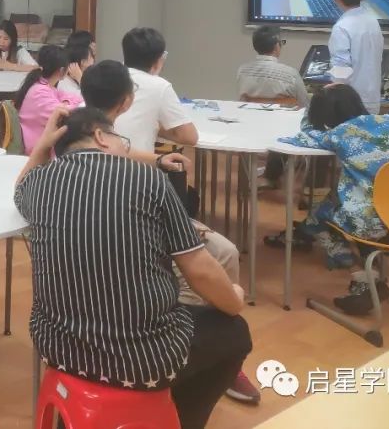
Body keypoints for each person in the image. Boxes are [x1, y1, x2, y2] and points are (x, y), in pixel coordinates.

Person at [15, 105, 251, 429]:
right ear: (101, 136)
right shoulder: (147, 179)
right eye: (122, 141)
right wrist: (234, 299)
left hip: (58, 349)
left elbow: (19, 187)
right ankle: (177, 420)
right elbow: (198, 267)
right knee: (235, 332)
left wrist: (43, 144)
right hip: (140, 360)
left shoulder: (39, 183)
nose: (126, 150)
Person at [81, 60, 257, 405]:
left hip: (74, 321)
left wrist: (158, 160)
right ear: (127, 100)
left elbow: (123, 152)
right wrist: (232, 299)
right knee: (217, 262)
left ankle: (199, 344)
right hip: (131, 248)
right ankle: (183, 349)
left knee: (220, 250)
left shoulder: (78, 137)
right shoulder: (134, 175)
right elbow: (192, 260)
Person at [267, 85, 389, 314]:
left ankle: (362, 278)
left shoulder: (339, 134)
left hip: (376, 225)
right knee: (347, 205)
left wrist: (309, 113)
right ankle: (371, 279)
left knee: (317, 218)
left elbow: (305, 135)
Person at [115, 27, 198, 153]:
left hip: (98, 159)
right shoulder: (159, 86)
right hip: (137, 162)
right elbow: (190, 137)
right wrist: (157, 129)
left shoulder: (107, 75)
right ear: (158, 59)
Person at [328, 0, 385, 114]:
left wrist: (332, 91)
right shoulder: (373, 21)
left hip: (350, 101)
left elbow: (341, 68)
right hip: (372, 96)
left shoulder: (342, 27)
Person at [13, 45, 83, 153]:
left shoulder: (43, 86)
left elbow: (73, 98)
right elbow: (64, 114)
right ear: (62, 70)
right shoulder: (39, 92)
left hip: (42, 143)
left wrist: (65, 103)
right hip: (38, 149)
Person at [236, 25, 309, 106]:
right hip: (281, 114)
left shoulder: (242, 71)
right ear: (277, 46)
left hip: (249, 114)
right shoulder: (291, 74)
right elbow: (305, 104)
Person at [57, 29, 95, 95]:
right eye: (91, 57)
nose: (93, 61)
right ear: (83, 61)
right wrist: (81, 79)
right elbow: (91, 98)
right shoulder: (65, 84)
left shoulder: (88, 75)